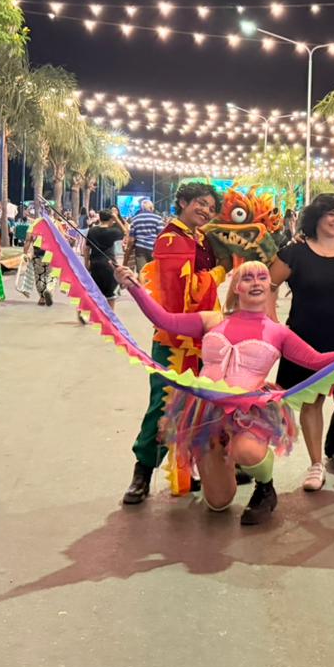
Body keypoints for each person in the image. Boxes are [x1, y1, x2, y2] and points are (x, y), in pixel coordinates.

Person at [117, 261, 334, 523]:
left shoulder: (278, 332)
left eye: (261, 277)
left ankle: (265, 487)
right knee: (218, 503)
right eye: (247, 278)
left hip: (248, 414)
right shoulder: (212, 320)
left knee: (246, 451)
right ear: (236, 288)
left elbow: (317, 361)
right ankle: (226, 462)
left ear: (270, 286)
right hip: (206, 413)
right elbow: (165, 320)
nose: (255, 282)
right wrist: (134, 287)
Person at [123, 182, 223, 506]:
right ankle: (142, 472)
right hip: (174, 339)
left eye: (211, 207)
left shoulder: (201, 238)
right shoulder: (171, 239)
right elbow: (181, 292)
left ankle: (191, 470)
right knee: (164, 406)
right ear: (182, 202)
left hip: (204, 338)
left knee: (199, 406)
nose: (206, 211)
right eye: (200, 203)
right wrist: (218, 274)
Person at [269, 193, 334, 494]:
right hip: (303, 342)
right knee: (311, 401)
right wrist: (274, 328)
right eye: (332, 214)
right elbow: (268, 286)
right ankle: (316, 465)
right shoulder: (294, 253)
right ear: (316, 216)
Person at [82, 209, 125, 320]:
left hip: (95, 264)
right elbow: (125, 231)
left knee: (94, 291)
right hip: (109, 265)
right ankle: (109, 317)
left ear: (100, 218)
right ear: (111, 219)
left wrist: (86, 263)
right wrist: (117, 218)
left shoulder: (92, 231)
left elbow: (86, 249)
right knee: (111, 294)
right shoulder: (113, 232)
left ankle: (86, 313)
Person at [125, 199, 165, 274]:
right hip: (154, 249)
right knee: (154, 273)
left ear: (141, 208)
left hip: (140, 249)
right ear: (151, 208)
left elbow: (131, 239)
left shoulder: (135, 219)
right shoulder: (158, 218)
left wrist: (128, 249)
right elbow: (162, 236)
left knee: (142, 272)